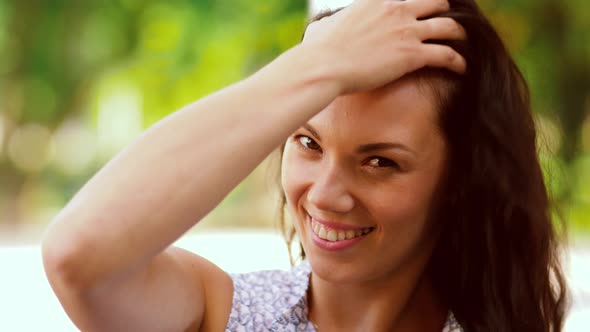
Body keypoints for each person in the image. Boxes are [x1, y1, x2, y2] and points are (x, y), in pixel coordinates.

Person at [41, 0, 568, 331]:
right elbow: (77, 256)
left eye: (380, 161)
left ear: (460, 181)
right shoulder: (225, 313)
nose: (325, 194)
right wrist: (318, 63)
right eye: (308, 142)